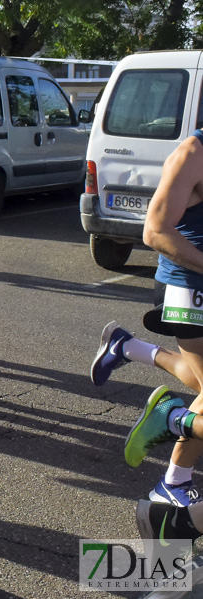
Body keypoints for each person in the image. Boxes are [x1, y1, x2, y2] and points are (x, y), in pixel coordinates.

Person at [104, 124, 203, 508]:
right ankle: (172, 422)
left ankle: (174, 481)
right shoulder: (192, 154)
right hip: (188, 292)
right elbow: (155, 231)